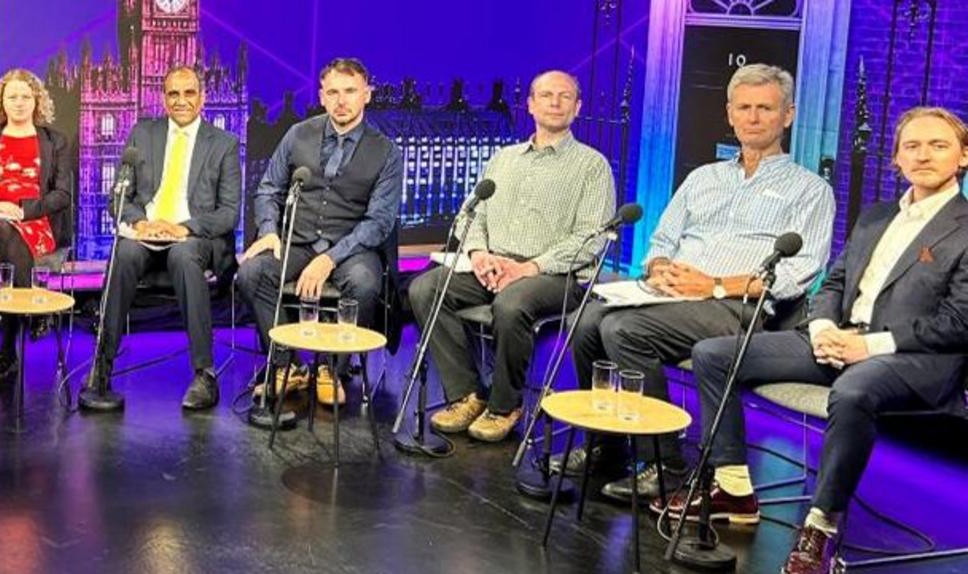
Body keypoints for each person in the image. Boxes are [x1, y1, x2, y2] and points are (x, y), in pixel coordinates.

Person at [670, 107, 968, 574]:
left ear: (963, 156)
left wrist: (867, 346)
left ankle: (821, 524)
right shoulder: (876, 216)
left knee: (853, 391)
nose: (923, 155)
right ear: (897, 158)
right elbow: (832, 285)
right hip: (842, 341)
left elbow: (959, 321)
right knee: (714, 354)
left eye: (938, 145)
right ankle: (733, 487)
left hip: (913, 356)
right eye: (912, 146)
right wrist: (824, 328)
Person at [564, 64, 835, 502]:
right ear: (729, 114)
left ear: (787, 116)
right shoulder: (703, 178)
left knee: (623, 330)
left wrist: (712, 284)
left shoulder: (810, 190)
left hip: (737, 308)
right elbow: (661, 240)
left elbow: (797, 274)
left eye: (765, 108)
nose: (753, 117)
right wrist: (657, 268)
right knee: (587, 322)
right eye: (744, 108)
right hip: (669, 298)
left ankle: (664, 463)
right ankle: (608, 447)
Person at [407, 69, 615, 443]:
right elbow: (473, 215)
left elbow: (591, 238)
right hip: (493, 265)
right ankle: (466, 394)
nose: (555, 102)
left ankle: (505, 405)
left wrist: (529, 267)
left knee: (511, 303)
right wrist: (481, 254)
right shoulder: (503, 159)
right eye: (546, 95)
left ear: (578, 107)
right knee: (425, 288)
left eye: (564, 96)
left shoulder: (592, 166)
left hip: (555, 276)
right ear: (530, 104)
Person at [237, 57, 401, 406]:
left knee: (364, 283)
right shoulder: (298, 134)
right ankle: (286, 365)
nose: (342, 100)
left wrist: (329, 258)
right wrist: (268, 230)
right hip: (296, 240)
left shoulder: (387, 152)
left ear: (366, 95)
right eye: (333, 92)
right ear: (322, 97)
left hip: (352, 247)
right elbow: (269, 189)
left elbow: (379, 222)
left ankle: (331, 369)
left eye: (350, 91)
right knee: (252, 273)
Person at [80, 66, 241, 411]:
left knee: (184, 257)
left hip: (193, 236)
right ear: (163, 97)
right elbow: (119, 198)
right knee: (123, 254)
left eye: (189, 93)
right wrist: (140, 224)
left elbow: (229, 213)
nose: (181, 101)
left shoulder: (224, 143)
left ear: (203, 97)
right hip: (147, 233)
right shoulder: (142, 133)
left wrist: (184, 227)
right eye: (173, 94)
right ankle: (101, 365)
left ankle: (204, 373)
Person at [0, 68, 72, 381]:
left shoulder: (54, 141)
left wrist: (23, 210)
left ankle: (8, 350)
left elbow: (62, 195)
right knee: (3, 228)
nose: (19, 103)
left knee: (11, 232)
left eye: (25, 96)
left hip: (36, 221)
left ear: (36, 101)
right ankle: (35, 308)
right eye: (12, 97)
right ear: (1, 102)